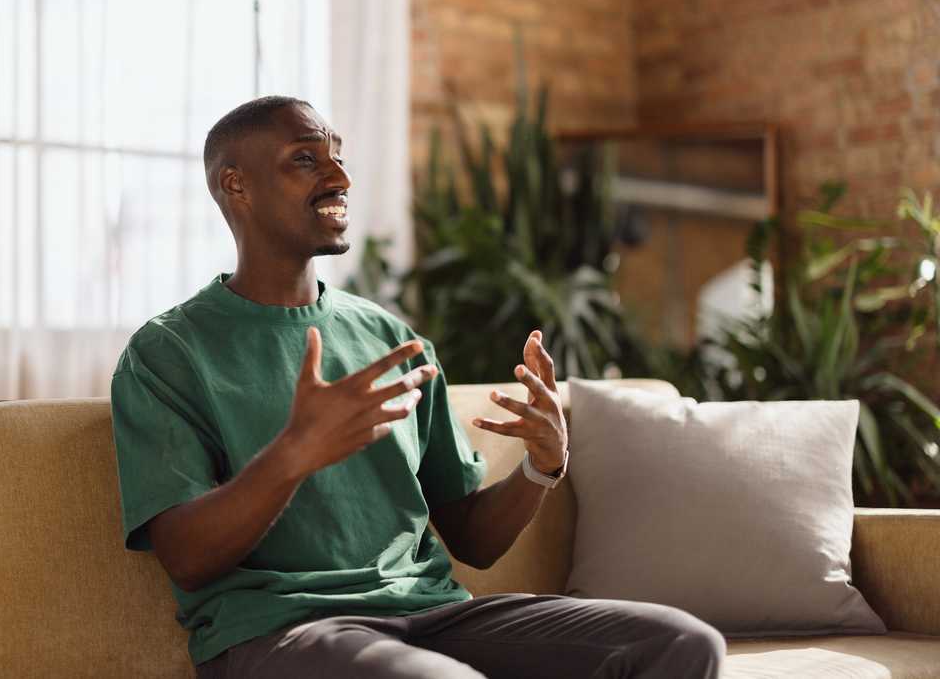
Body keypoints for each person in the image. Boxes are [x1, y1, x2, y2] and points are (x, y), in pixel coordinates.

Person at [110, 96, 726, 678]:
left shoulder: (387, 336)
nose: (340, 177)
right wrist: (294, 454)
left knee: (681, 643)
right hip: (281, 631)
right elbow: (188, 559)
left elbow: (473, 539)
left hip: (432, 615)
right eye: (305, 158)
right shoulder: (169, 352)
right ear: (235, 184)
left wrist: (542, 466)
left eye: (338, 156)